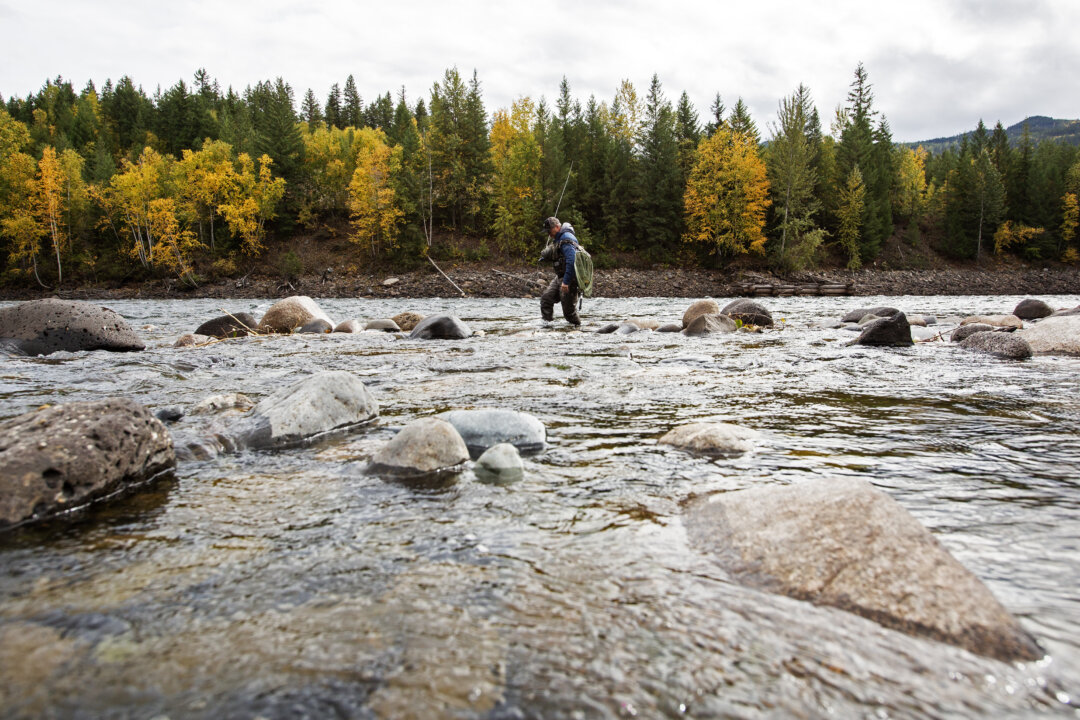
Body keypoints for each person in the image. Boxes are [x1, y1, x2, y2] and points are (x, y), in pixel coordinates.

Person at [539, 216, 581, 326]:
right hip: (560, 277)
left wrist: (566, 282)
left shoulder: (566, 239)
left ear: (557, 227)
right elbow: (558, 253)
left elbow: (571, 261)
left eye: (549, 230)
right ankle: (547, 326)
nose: (548, 233)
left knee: (569, 313)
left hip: (569, 278)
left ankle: (578, 330)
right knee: (546, 299)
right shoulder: (558, 239)